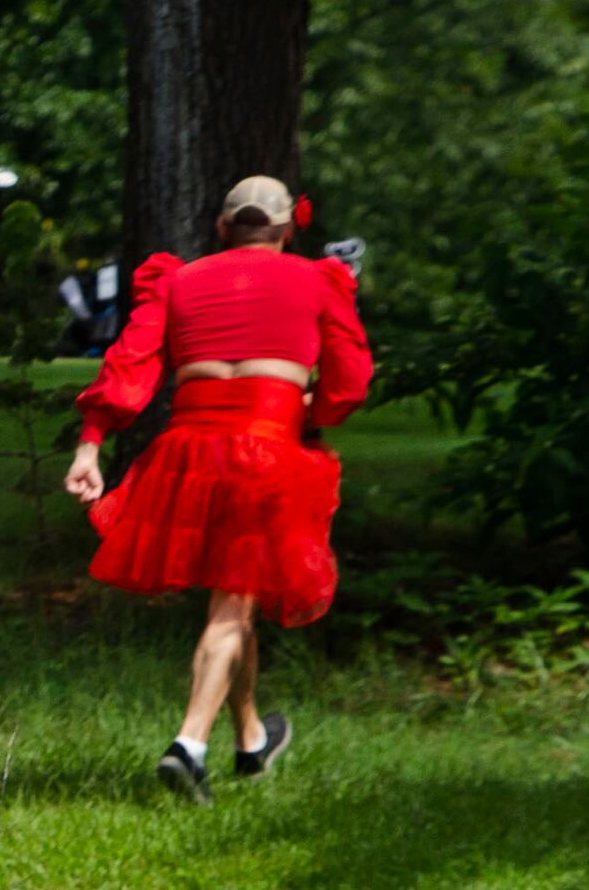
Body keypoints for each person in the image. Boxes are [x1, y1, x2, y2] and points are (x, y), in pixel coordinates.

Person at [63, 175, 372, 804]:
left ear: (223, 226)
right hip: (265, 451)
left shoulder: (176, 280)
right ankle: (189, 746)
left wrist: (90, 443)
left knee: (237, 595)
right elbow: (349, 381)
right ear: (288, 229)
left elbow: (130, 363)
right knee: (231, 608)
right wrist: (311, 411)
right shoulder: (321, 280)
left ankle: (251, 740)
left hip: (187, 453)